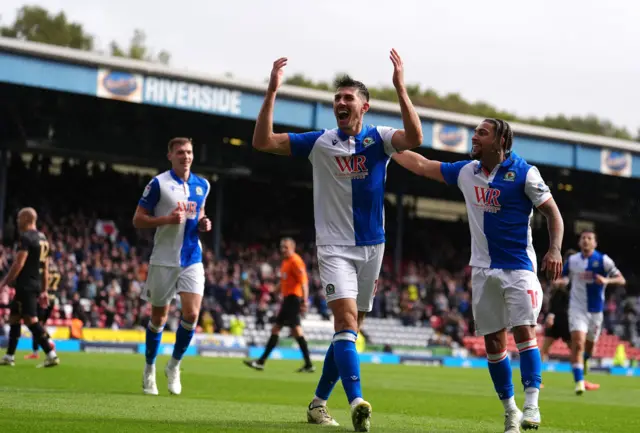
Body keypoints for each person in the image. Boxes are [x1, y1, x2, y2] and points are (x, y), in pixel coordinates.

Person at [252, 50, 423, 432]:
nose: (340, 103)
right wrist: (271, 92)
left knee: (350, 329)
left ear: (364, 106)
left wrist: (400, 86)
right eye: (337, 99)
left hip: (373, 247)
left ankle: (317, 404)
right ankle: (357, 400)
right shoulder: (319, 142)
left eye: (348, 98)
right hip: (333, 247)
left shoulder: (379, 139)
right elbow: (263, 141)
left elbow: (415, 136)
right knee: (344, 322)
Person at [392, 118, 564, 432]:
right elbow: (423, 165)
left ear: (500, 141)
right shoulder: (466, 171)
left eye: (481, 133)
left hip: (519, 270)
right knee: (494, 344)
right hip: (483, 271)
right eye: (475, 132)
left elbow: (553, 212)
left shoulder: (525, 173)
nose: (474, 137)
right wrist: (389, 148)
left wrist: (554, 249)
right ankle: (510, 409)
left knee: (525, 332)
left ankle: (532, 404)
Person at [133, 137, 212, 396]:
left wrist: (203, 223)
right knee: (159, 319)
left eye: (189, 152)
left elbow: (199, 214)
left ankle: (174, 365)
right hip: (164, 259)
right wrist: (166, 219)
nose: (186, 156)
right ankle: (149, 369)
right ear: (170, 155)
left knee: (191, 315)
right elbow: (138, 220)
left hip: (192, 258)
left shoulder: (203, 184)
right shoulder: (158, 184)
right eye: (180, 152)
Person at [552, 230, 625, 395]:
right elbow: (564, 278)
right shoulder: (572, 260)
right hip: (577, 309)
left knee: (590, 348)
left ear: (595, 243)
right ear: (579, 243)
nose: (586, 241)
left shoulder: (603, 260)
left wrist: (607, 280)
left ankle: (584, 362)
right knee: (578, 344)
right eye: (583, 238)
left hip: (596, 312)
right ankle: (579, 382)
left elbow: (621, 279)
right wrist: (559, 282)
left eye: (589, 238)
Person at [0, 207, 60, 368]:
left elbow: (19, 263)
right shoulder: (43, 239)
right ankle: (9, 356)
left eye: (19, 218)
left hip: (26, 284)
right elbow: (45, 268)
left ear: (27, 219)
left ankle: (51, 354)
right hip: (34, 284)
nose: (17, 221)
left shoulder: (26, 238)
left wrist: (4, 282)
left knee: (31, 320)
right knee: (14, 317)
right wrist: (44, 291)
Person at [243, 237, 314, 372]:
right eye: (281, 247)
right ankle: (308, 364)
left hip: (294, 299)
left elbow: (304, 282)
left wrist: (305, 301)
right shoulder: (285, 262)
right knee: (291, 330)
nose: (283, 250)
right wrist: (272, 292)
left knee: (284, 329)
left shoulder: (296, 261)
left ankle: (261, 362)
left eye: (285, 247)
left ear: (292, 248)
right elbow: (282, 282)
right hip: (288, 299)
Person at [25, 257, 60, 360]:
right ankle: (39, 349)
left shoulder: (43, 271)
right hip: (53, 300)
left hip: (44, 299)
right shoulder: (57, 274)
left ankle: (47, 344)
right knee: (39, 325)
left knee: (36, 324)